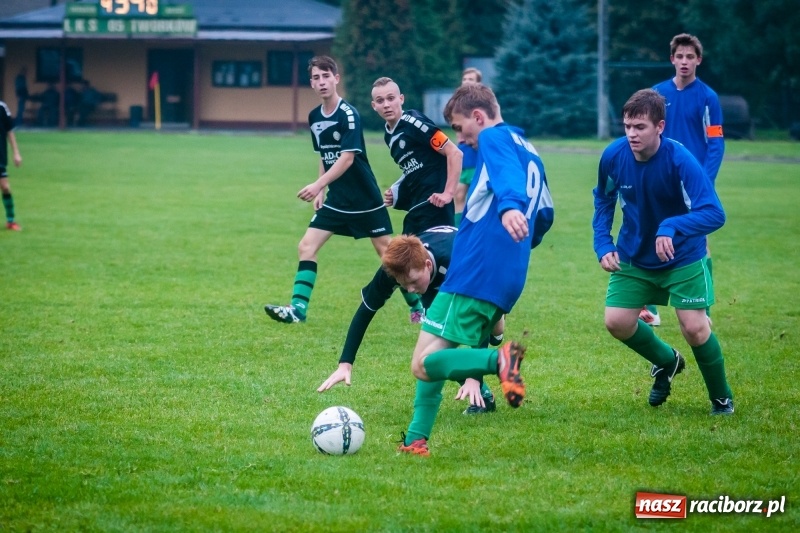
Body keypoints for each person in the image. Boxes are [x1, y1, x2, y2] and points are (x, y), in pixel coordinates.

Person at [396, 83, 555, 456]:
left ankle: (499, 360)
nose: (460, 138)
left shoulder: (494, 138)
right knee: (430, 350)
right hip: (506, 274)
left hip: (474, 270)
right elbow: (545, 214)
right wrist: (519, 238)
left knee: (423, 363)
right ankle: (416, 440)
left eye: (459, 127)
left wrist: (510, 207)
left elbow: (509, 182)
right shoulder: (528, 148)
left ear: (479, 117)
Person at [592, 88, 734, 416]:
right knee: (616, 322)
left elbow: (715, 214)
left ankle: (721, 398)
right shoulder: (613, 156)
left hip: (682, 257)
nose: (631, 134)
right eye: (627, 126)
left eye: (640, 127)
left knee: (695, 328)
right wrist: (603, 243)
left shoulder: (680, 160)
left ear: (660, 127)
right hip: (634, 254)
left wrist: (671, 226)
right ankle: (668, 361)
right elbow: (603, 199)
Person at [316, 225, 505, 414]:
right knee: (430, 354)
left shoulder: (458, 261)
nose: (411, 290)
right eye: (403, 286)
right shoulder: (394, 270)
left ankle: (498, 319)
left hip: (487, 271)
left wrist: (474, 377)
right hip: (437, 282)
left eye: (413, 282)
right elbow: (365, 311)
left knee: (491, 328)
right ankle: (484, 397)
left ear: (427, 265)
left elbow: (479, 321)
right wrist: (345, 363)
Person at [264, 56, 393, 324]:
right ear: (311, 83)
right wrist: (322, 190)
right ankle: (298, 310)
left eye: (326, 76)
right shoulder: (314, 117)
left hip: (365, 199)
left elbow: (347, 158)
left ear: (336, 78)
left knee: (389, 256)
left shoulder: (348, 114)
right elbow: (325, 155)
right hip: (337, 200)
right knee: (306, 246)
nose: (321, 82)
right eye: (316, 77)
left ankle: (419, 307)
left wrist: (318, 185)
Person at [643, 33, 725, 327]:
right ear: (672, 59)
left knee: (699, 241)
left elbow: (715, 142)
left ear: (698, 60)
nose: (684, 61)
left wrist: (705, 179)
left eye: (690, 56)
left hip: (692, 182)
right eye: (680, 56)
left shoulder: (708, 97)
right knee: (648, 231)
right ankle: (650, 309)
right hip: (660, 177)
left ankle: (703, 310)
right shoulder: (657, 93)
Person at [370, 76, 461, 323]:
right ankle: (426, 314)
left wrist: (448, 193)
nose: (387, 104)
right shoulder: (389, 134)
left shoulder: (414, 123)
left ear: (401, 99)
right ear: (374, 106)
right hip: (418, 207)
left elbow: (454, 152)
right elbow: (416, 169)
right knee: (403, 262)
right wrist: (397, 191)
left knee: (419, 264)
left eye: (391, 98)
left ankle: (437, 319)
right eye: (380, 100)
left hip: (435, 206)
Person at [453, 68, 482, 224]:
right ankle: (458, 230)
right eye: (464, 79)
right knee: (458, 194)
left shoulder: (482, 104)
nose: (466, 82)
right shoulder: (457, 103)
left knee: (475, 196)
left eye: (471, 79)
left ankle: (475, 227)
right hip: (463, 151)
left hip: (476, 152)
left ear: (478, 83)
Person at [0, 101, 23, 230]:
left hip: (0, 155)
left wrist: (16, 153)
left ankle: (10, 221)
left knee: (5, 187)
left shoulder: (2, 107)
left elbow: (10, 131)